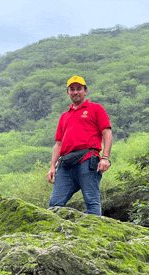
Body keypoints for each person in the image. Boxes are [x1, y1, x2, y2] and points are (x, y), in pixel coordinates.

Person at [47, 75, 112, 216]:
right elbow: (58, 144)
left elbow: (107, 133)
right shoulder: (64, 116)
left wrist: (105, 158)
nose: (75, 92)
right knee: (55, 203)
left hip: (88, 158)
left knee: (91, 200)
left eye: (79, 88)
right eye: (72, 89)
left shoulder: (95, 108)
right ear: (67, 92)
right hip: (65, 163)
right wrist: (52, 166)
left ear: (85, 91)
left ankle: (95, 235)